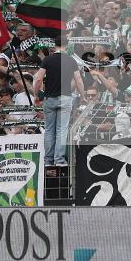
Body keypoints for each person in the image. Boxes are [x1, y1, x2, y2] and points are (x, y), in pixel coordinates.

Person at [33, 34, 83, 168]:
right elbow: (78, 80)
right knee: (62, 130)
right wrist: (83, 95)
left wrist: (36, 95)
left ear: (54, 45)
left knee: (49, 130)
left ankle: (48, 161)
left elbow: (38, 79)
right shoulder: (71, 60)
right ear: (67, 45)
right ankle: (59, 160)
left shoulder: (47, 59)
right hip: (65, 98)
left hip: (49, 98)